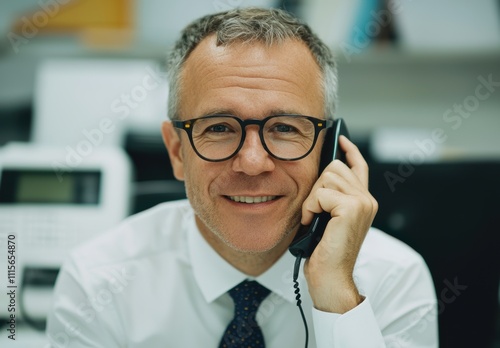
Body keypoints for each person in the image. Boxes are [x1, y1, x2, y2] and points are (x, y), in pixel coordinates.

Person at [46, 7, 438, 347]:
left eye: (285, 128)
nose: (252, 163)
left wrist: (337, 296)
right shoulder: (96, 283)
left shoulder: (394, 279)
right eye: (218, 128)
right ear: (177, 151)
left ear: (328, 149)